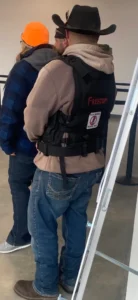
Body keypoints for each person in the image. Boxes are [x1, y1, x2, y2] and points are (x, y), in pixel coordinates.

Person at [14, 5, 116, 299]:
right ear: (96, 37)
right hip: (92, 165)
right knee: (75, 224)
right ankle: (71, 280)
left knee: (42, 225)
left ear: (68, 34)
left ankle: (44, 287)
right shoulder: (107, 67)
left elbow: (33, 116)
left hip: (58, 167)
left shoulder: (59, 69)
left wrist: (36, 138)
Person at [0, 22, 56, 254]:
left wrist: (5, 142)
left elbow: (10, 109)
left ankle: (20, 236)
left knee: (19, 184)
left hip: (24, 144)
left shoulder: (23, 68)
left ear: (26, 42)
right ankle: (40, 233)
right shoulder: (59, 64)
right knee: (43, 189)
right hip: (51, 145)